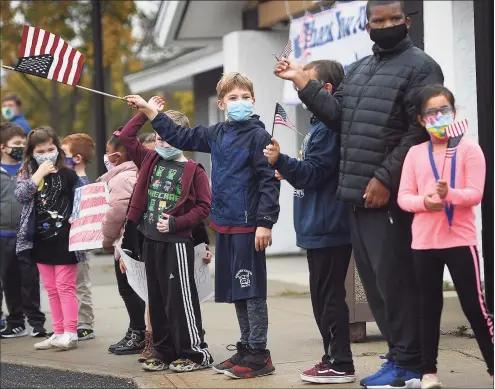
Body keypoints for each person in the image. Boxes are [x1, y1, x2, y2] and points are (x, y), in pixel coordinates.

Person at [273, 1, 444, 387]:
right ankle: (401, 360)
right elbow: (338, 119)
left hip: (391, 197)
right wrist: (303, 82)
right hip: (356, 198)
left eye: (393, 19)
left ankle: (410, 365)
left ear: (407, 21)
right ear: (366, 25)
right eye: (378, 20)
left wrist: (385, 178)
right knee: (377, 287)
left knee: (396, 282)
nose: (386, 26)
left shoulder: (422, 67)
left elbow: (419, 132)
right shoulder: (360, 70)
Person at [125, 72, 281, 380]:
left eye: (245, 97)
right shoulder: (216, 133)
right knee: (237, 291)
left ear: (253, 101)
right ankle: (246, 346)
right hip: (223, 226)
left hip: (248, 227)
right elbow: (180, 136)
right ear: (222, 103)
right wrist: (149, 110)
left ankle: (259, 354)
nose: (240, 103)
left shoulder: (259, 136)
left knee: (251, 291)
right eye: (233, 98)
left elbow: (268, 183)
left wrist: (265, 223)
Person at [264, 60, 355, 384]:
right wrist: (288, 167)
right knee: (323, 297)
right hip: (318, 226)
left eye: (305, 82)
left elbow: (314, 174)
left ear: (325, 89)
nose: (300, 90)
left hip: (328, 227)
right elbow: (314, 171)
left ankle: (340, 362)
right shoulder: (320, 126)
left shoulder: (327, 129)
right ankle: (332, 357)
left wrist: (282, 161)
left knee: (329, 298)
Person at [397, 85, 494, 389]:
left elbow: (475, 194)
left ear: (454, 113)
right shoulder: (414, 154)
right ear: (421, 120)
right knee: (427, 308)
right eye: (432, 112)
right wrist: (425, 202)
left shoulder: (469, 149)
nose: (439, 117)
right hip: (424, 243)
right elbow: (404, 197)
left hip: (459, 241)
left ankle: (492, 367)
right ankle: (429, 373)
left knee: (474, 307)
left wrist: (449, 194)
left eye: (445, 110)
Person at [119, 105, 213, 372]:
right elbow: (127, 137)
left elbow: (204, 208)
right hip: (150, 241)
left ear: (181, 138)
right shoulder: (150, 160)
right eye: (159, 138)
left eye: (168, 137)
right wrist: (145, 111)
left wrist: (176, 223)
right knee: (157, 300)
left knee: (179, 299)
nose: (162, 143)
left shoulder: (194, 170)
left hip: (177, 245)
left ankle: (194, 352)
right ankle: (163, 351)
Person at [15, 126, 81, 350]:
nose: (46, 154)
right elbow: (21, 196)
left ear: (58, 148)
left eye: (50, 149)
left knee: (65, 286)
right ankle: (58, 331)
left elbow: (83, 201)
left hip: (65, 241)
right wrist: (39, 173)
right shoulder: (29, 175)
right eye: (40, 151)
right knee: (51, 288)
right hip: (40, 240)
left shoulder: (69, 174)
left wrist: (77, 218)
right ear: (32, 153)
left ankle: (71, 332)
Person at [97, 131, 144, 355]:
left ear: (116, 156)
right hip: (132, 243)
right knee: (133, 290)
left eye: (107, 153)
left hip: (125, 244)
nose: (105, 158)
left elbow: (116, 213)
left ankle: (139, 332)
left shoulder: (122, 178)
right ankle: (135, 329)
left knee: (129, 290)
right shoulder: (133, 174)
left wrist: (106, 239)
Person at [0, 122, 46, 338]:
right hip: (3, 236)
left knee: (29, 279)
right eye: (16, 143)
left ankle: (36, 322)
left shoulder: (29, 170)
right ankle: (15, 321)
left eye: (23, 143)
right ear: (3, 147)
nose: (21, 147)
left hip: (26, 235)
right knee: (8, 280)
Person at [61, 133, 96, 341]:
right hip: (67, 241)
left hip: (79, 243)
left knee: (80, 284)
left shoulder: (82, 183)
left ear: (77, 158)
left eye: (64, 153)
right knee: (70, 284)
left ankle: (85, 323)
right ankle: (72, 322)